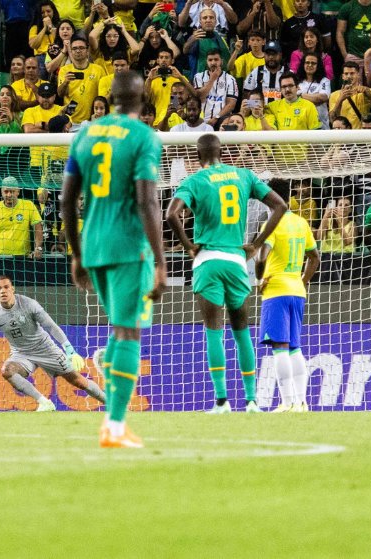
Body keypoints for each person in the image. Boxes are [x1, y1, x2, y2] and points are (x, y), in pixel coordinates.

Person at [61, 70, 166, 448]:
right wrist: (160, 260)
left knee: (118, 330)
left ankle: (114, 417)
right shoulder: (143, 137)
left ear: (109, 95)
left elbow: (67, 200)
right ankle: (116, 426)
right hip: (127, 246)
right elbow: (147, 200)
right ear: (144, 98)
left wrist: (76, 253)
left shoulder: (85, 134)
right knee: (128, 331)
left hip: (93, 246)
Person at [166, 133, 287, 414]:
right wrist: (256, 244)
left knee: (213, 332)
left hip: (208, 260)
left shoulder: (194, 180)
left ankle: (222, 401)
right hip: (236, 260)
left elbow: (172, 214)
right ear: (223, 154)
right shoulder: (243, 175)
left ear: (197, 156)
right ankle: (252, 401)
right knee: (242, 332)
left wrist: (187, 246)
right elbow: (280, 205)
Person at [0, 275, 105, 411]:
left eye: (6, 287)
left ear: (12, 289)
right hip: (21, 353)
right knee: (7, 371)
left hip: (45, 348)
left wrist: (70, 350)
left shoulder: (28, 304)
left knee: (79, 381)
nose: (3, 291)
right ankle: (44, 402)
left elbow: (50, 326)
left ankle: (112, 403)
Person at [256, 179, 320, 413]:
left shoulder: (272, 224)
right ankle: (301, 403)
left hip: (276, 291)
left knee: (280, 348)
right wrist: (301, 281)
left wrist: (258, 279)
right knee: (295, 348)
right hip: (296, 291)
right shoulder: (301, 222)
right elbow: (315, 257)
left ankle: (287, 402)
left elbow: (262, 256)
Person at [58, 36, 107, 125]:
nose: (78, 51)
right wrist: (65, 82)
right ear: (71, 52)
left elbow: (103, 97)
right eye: (74, 48)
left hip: (93, 120)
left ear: (87, 51)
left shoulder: (98, 70)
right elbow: (60, 94)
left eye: (81, 48)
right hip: (71, 121)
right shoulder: (64, 70)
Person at [192, 49, 238, 126]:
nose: (213, 63)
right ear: (206, 62)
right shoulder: (198, 77)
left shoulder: (230, 79)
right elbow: (200, 97)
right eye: (210, 60)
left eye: (216, 59)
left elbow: (231, 105)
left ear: (221, 61)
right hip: (200, 119)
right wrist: (212, 79)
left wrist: (216, 118)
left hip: (221, 119)